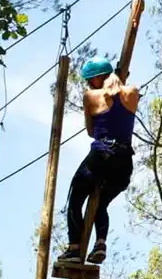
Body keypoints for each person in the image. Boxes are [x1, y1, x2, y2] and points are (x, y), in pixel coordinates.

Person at [57, 57, 140, 265]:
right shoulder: (133, 92)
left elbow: (91, 131)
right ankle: (100, 244)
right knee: (101, 204)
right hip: (124, 162)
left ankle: (74, 249)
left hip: (101, 157)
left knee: (75, 199)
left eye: (89, 80)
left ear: (97, 78)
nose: (88, 84)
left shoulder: (90, 96)